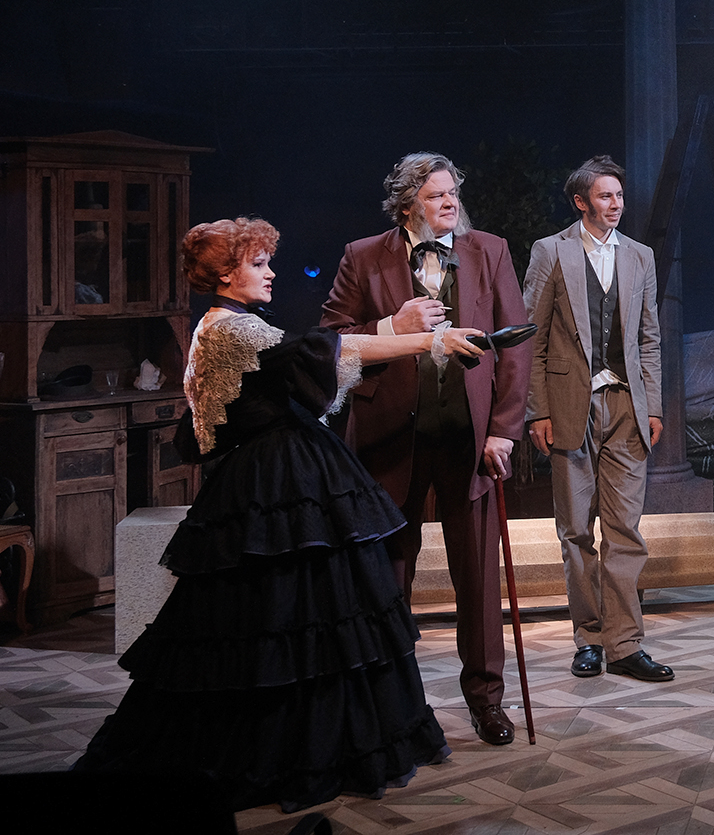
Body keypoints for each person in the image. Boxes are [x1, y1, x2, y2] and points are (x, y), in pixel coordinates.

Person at [77, 218, 483, 812]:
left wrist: (414, 337)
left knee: (311, 613)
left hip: (287, 468)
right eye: (258, 263)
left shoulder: (236, 323)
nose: (271, 273)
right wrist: (425, 340)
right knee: (276, 614)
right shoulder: (230, 329)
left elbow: (316, 363)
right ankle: (279, 748)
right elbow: (331, 351)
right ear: (225, 274)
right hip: (273, 479)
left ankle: (320, 737)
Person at [321, 153, 529, 746]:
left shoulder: (489, 250)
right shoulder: (364, 256)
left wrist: (503, 430)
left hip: (470, 439)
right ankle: (393, 705)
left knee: (479, 578)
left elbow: (515, 346)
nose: (450, 203)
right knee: (389, 575)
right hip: (390, 439)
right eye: (436, 195)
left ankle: (487, 701)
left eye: (453, 192)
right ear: (407, 204)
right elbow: (331, 341)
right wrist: (394, 323)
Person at [523, 155, 672, 683]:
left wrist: (653, 405)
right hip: (570, 407)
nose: (616, 204)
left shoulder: (640, 256)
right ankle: (588, 638)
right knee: (575, 530)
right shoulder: (551, 251)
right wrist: (538, 410)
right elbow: (532, 338)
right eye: (606, 196)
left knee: (625, 529)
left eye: (619, 196)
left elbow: (649, 337)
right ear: (581, 202)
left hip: (627, 406)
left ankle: (625, 643)